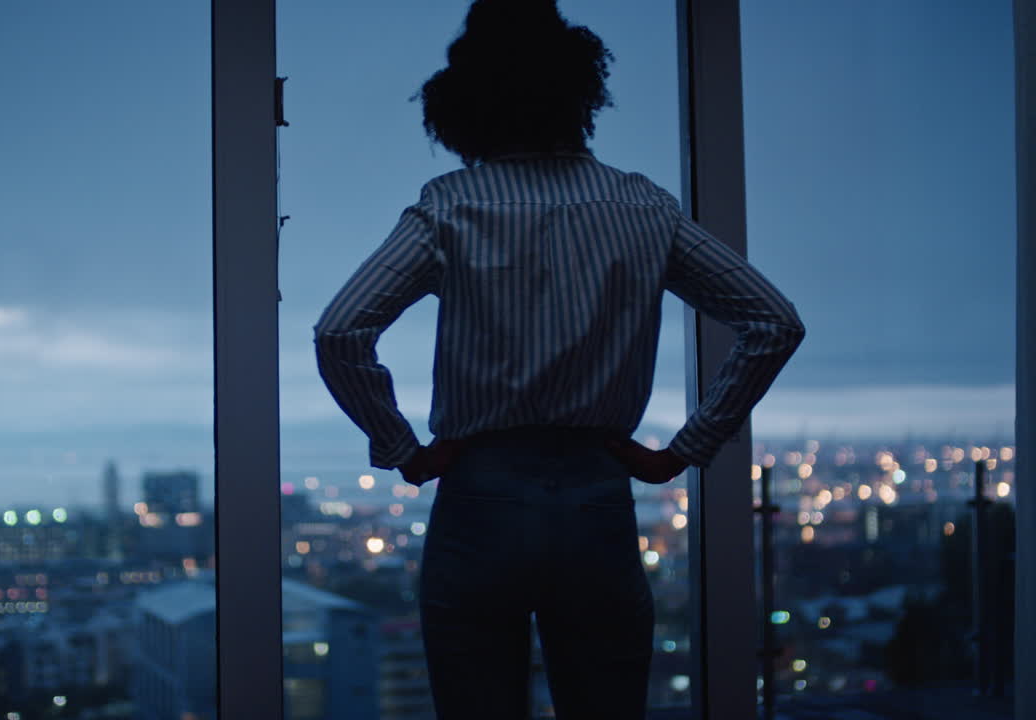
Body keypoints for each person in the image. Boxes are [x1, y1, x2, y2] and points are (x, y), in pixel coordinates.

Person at [313, 1, 805, 717]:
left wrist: (403, 449)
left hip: (478, 496)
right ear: (581, 93)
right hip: (596, 495)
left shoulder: (450, 207)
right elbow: (773, 320)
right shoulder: (643, 207)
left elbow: (340, 333)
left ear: (464, 102)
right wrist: (683, 451)